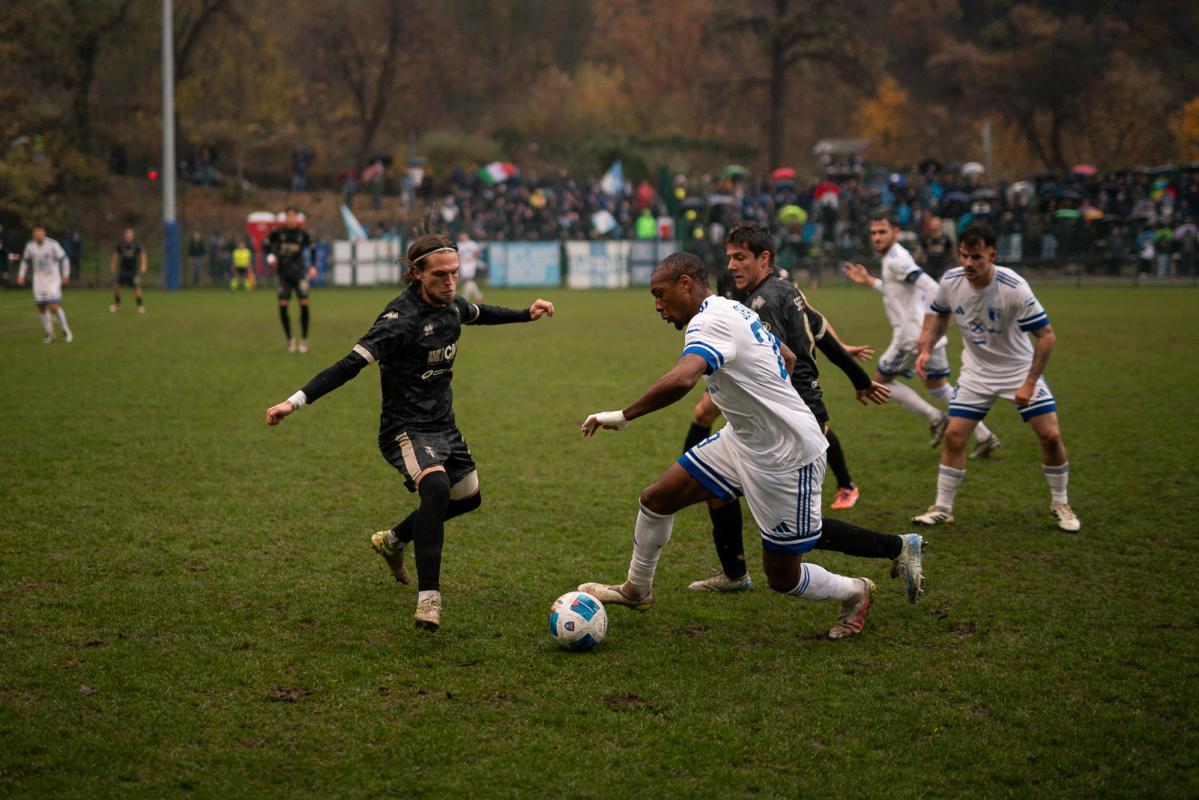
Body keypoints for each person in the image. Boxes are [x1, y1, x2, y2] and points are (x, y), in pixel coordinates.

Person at [577, 253, 881, 640]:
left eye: (660, 294)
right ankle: (636, 589)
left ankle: (856, 591)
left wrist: (624, 414)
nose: (657, 306)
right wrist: (759, 402)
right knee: (657, 499)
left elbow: (683, 379)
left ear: (685, 284)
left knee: (782, 577)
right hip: (743, 439)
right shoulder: (730, 307)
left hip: (786, 454)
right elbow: (786, 356)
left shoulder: (709, 321)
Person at [265, 233, 555, 632]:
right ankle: (429, 599)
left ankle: (394, 541)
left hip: (443, 424)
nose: (450, 282)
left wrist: (526, 313)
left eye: (454, 273)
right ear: (417, 273)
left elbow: (479, 312)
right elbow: (348, 366)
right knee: (436, 488)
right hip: (404, 428)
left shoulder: (451, 305)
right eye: (440, 275)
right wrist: (293, 402)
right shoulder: (398, 320)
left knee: (469, 498)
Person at [681, 224, 925, 602]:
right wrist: (859, 379)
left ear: (763, 258)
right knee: (719, 488)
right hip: (790, 416)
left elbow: (778, 361)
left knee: (797, 531)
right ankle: (734, 572)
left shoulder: (761, 303)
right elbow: (822, 333)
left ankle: (896, 546)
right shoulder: (788, 289)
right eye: (729, 257)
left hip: (788, 423)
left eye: (739, 257)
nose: (731, 265)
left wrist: (745, 389)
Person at [912, 223, 1080, 532]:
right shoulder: (950, 281)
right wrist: (926, 349)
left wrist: (1029, 383)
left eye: (976, 257)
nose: (968, 263)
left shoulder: (1013, 287)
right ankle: (943, 508)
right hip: (977, 372)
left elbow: (1047, 336)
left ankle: (1061, 503)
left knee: (1051, 436)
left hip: (1017, 370)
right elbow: (940, 315)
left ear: (992, 255)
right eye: (964, 255)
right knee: (954, 436)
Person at [845, 212, 1001, 458]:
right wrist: (869, 280)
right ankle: (985, 436)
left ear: (896, 233)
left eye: (882, 232)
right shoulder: (896, 257)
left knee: (878, 383)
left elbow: (932, 289)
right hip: (924, 336)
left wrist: (927, 330)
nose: (877, 237)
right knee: (939, 387)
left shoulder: (897, 260)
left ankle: (936, 418)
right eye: (874, 233)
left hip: (910, 337)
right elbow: (897, 290)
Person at [265, 208, 315, 352]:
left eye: (294, 217)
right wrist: (271, 256)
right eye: (289, 217)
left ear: (297, 219)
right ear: (285, 219)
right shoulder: (278, 233)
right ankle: (290, 340)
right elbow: (266, 243)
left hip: (299, 274)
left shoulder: (303, 234)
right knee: (283, 305)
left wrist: (313, 266)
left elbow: (312, 249)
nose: (291, 219)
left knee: (304, 303)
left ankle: (304, 339)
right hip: (283, 275)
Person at [18, 224, 74, 344]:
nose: (39, 235)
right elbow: (25, 261)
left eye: (41, 232)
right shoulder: (30, 246)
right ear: (33, 235)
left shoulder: (52, 245)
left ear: (44, 233)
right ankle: (49, 334)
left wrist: (66, 275)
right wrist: (21, 275)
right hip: (38, 281)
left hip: (53, 280)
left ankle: (66, 330)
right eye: (36, 233)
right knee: (42, 307)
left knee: (54, 306)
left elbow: (64, 259)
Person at [110, 228, 148, 313]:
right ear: (124, 236)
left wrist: (143, 265)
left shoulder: (136, 245)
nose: (128, 237)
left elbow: (143, 254)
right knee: (117, 286)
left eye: (130, 236)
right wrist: (113, 264)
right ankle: (117, 305)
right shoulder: (120, 245)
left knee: (137, 288)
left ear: (133, 236)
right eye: (127, 236)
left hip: (133, 271)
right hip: (123, 270)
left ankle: (140, 306)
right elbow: (116, 255)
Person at [456, 230, 483, 303]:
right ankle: (477, 295)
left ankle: (466, 297)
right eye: (461, 236)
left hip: (471, 264)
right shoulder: (459, 245)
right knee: (468, 281)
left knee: (467, 280)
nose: (462, 237)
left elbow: (478, 253)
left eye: (463, 235)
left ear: (466, 236)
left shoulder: (472, 244)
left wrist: (473, 257)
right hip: (463, 264)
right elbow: (457, 255)